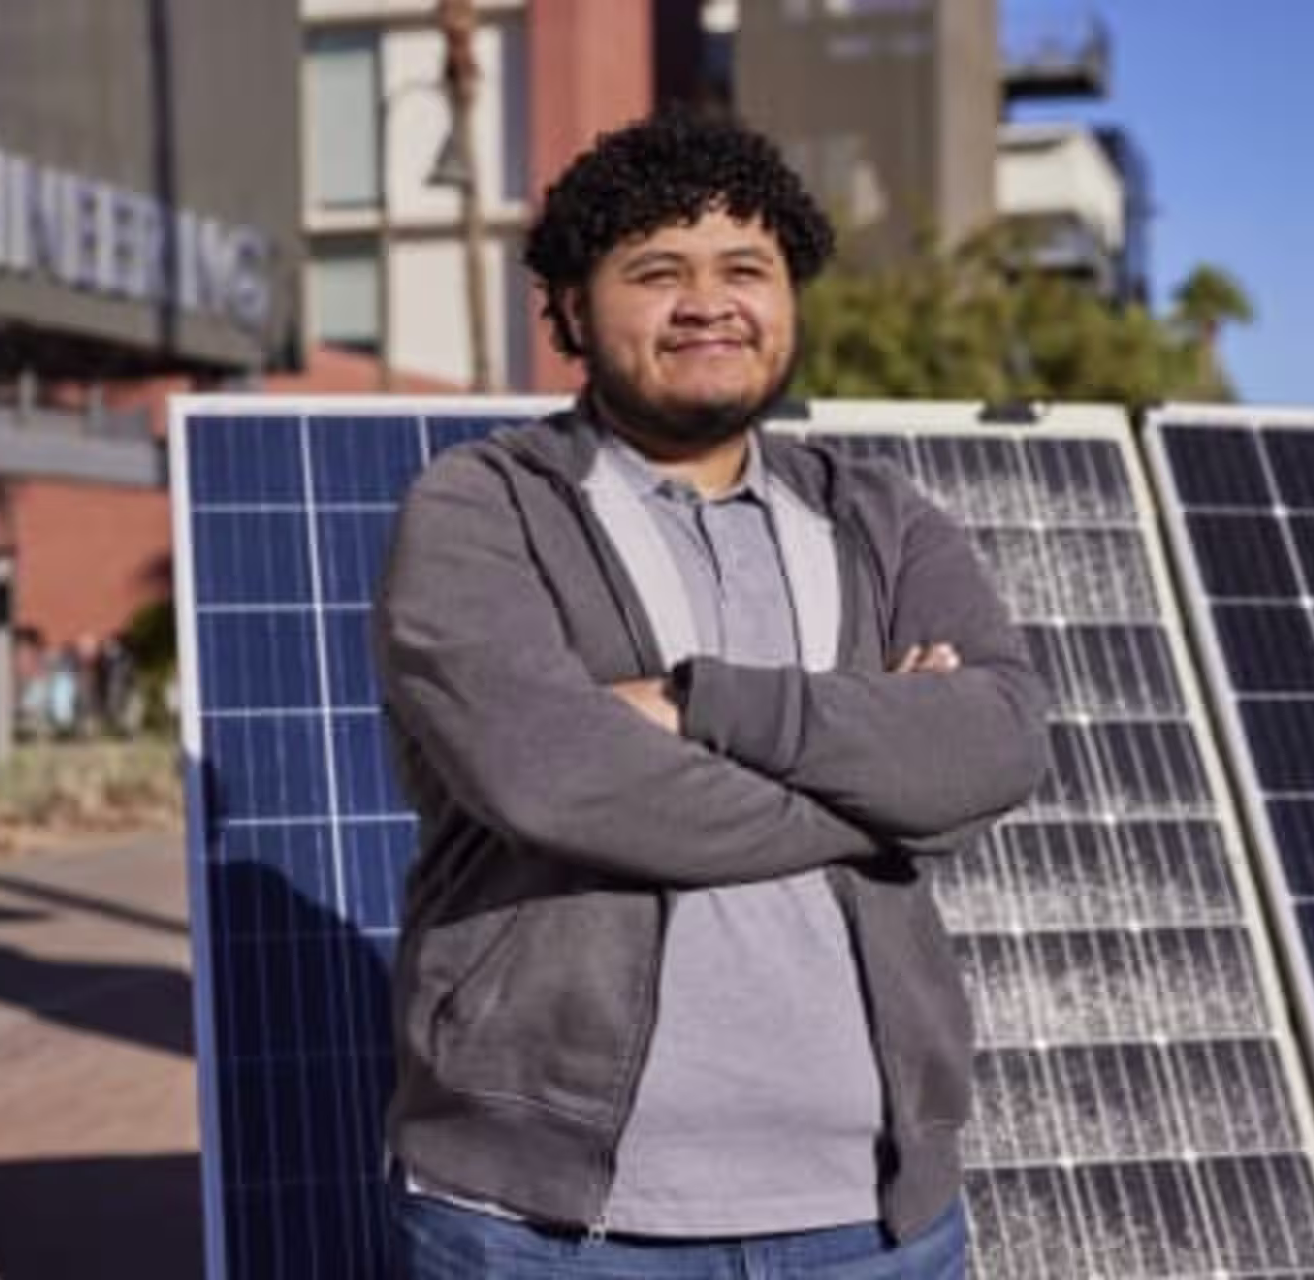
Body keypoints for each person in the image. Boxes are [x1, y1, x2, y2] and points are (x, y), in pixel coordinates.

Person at [372, 109, 1046, 1279]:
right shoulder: (482, 507)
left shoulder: (881, 517)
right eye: (656, 271)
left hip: (873, 1220)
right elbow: (555, 778)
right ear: (575, 308)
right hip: (546, 1229)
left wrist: (701, 704)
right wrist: (879, 779)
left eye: (747, 268)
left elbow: (992, 747)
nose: (708, 301)